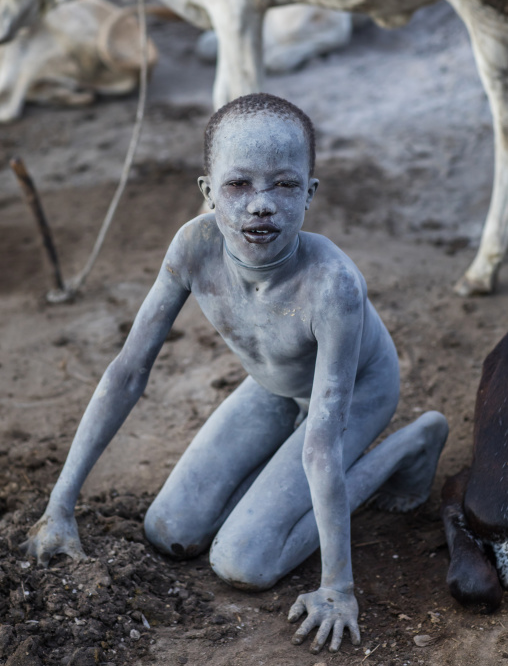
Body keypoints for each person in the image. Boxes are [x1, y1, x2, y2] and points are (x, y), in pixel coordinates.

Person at [22, 93, 448, 654]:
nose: (262, 205)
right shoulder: (194, 247)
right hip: (274, 384)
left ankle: (416, 441)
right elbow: (128, 372)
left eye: (285, 185)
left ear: (310, 194)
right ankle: (269, 489)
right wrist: (60, 506)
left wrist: (338, 589)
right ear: (207, 192)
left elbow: (321, 443)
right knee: (168, 532)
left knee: (244, 560)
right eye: (239, 185)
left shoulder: (332, 286)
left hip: (352, 396)